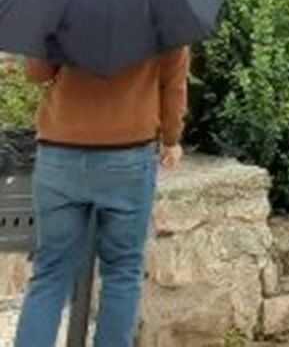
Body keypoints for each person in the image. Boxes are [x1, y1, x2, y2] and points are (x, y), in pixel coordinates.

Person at [13, 46, 188, 347]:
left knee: (50, 273)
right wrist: (171, 139)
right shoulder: (164, 18)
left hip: (61, 152)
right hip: (128, 155)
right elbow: (173, 83)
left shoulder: (61, 13)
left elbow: (37, 73)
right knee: (122, 271)